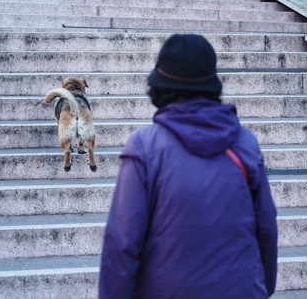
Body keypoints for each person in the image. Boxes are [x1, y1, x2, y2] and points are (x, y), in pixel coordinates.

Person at [99, 34, 279, 298]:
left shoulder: (145, 146)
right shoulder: (245, 143)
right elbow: (266, 229)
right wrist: (262, 287)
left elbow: (123, 242)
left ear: (160, 86)